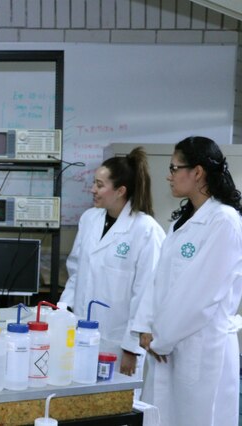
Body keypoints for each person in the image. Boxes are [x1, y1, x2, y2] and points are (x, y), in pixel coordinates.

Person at [133, 136, 242, 426]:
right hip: (166, 345)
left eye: (174, 167)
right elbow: (158, 280)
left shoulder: (224, 221)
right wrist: (145, 326)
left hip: (201, 348)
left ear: (197, 172)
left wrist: (162, 338)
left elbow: (201, 295)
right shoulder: (182, 222)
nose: (169, 176)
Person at [61, 147, 165, 385]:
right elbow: (76, 272)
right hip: (80, 335)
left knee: (117, 407)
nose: (92, 190)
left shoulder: (146, 230)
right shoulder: (90, 219)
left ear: (120, 191)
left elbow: (147, 293)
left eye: (99, 185)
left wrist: (131, 347)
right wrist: (62, 311)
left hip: (118, 344)